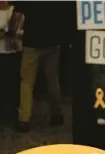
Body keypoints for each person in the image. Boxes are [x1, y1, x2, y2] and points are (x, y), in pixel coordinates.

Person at [12, 1, 66, 132]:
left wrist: (12, 33)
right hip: (52, 42)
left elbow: (16, 16)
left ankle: (24, 120)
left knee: (27, 82)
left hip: (31, 42)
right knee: (53, 81)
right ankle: (56, 115)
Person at [0, 1, 24, 124]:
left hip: (14, 51)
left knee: (13, 83)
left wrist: (13, 34)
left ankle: (14, 111)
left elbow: (23, 31)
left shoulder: (16, 10)